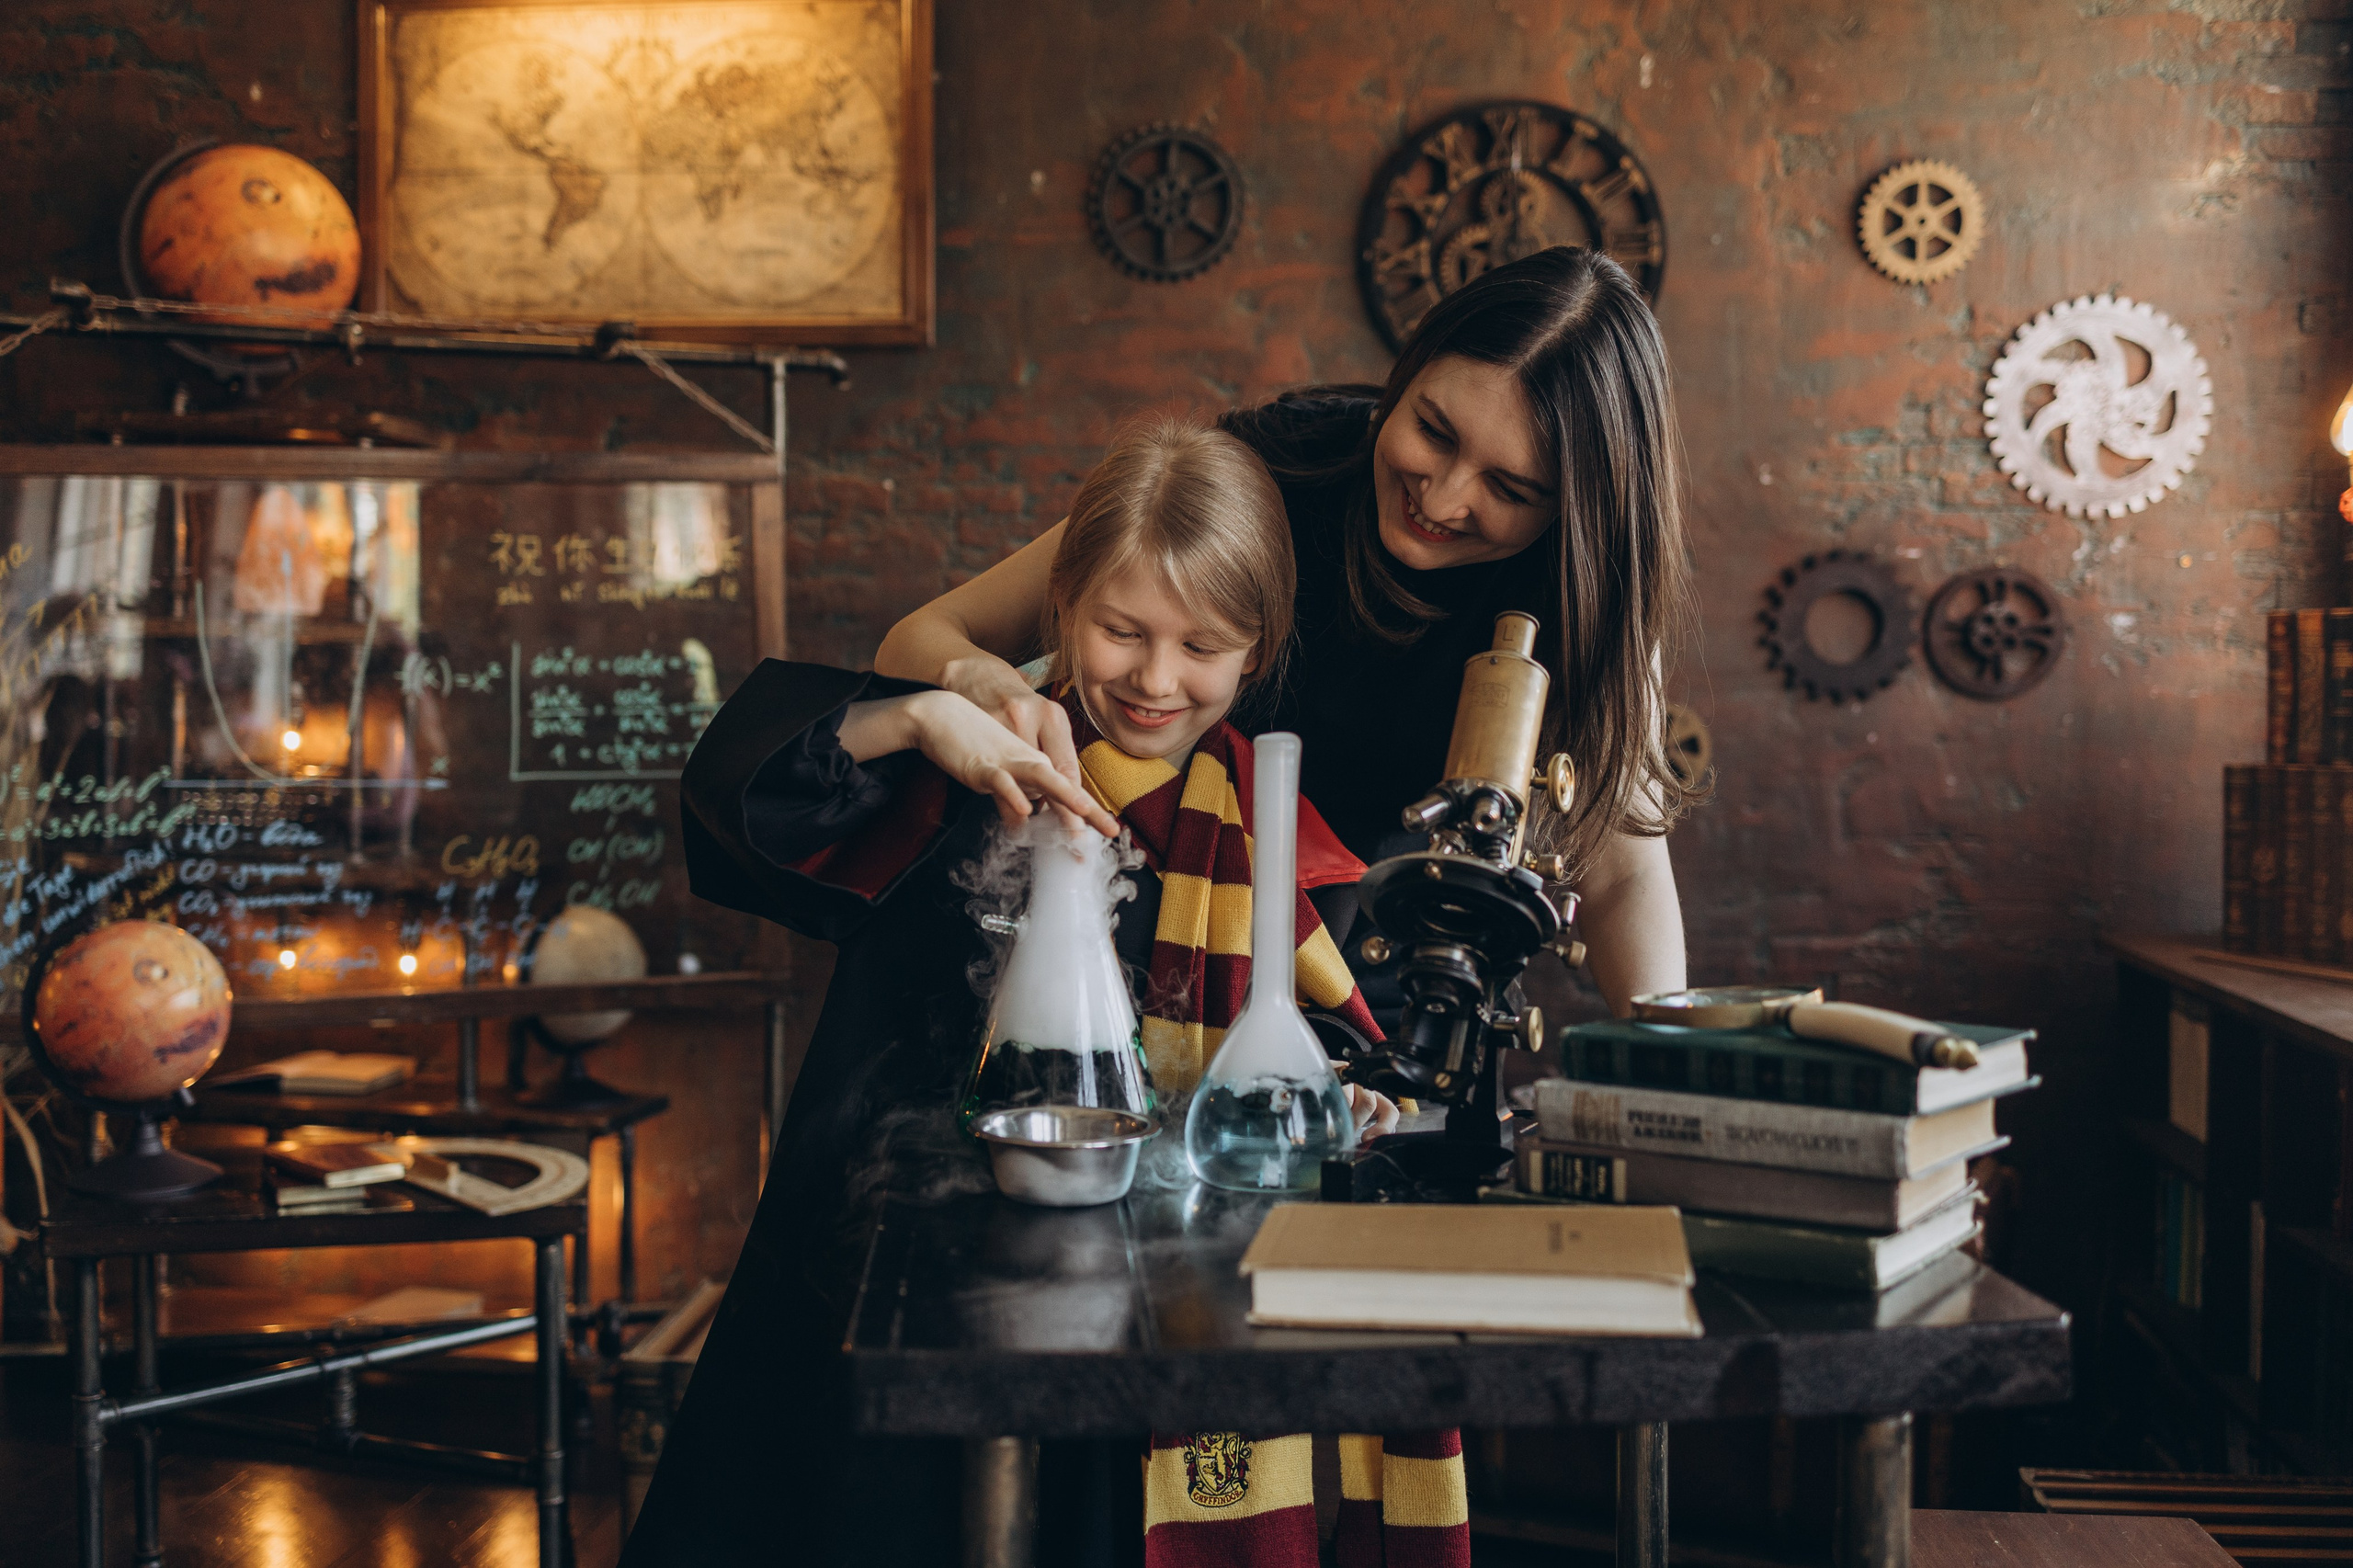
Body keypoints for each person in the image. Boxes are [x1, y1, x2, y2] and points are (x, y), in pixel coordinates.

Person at [623, 416, 1402, 1567]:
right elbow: (739, 798)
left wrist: (1351, 1094)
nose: (1153, 678)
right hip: (881, 1277)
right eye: (1121, 629)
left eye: (1203, 646)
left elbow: (1319, 1051)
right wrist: (923, 713)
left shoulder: (1265, 837)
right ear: (1061, 608)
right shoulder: (969, 767)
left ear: (1258, 649)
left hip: (1126, 1315)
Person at [877, 246, 1697, 1013]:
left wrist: (1655, 1098)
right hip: (1136, 954)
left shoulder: (1588, 594)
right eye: (1434, 433)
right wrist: (974, 679)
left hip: (1375, 1017)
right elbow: (925, 635)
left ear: (1574, 509)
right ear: (1405, 374)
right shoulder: (1268, 469)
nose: (1443, 499)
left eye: (1509, 489)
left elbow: (1625, 878)